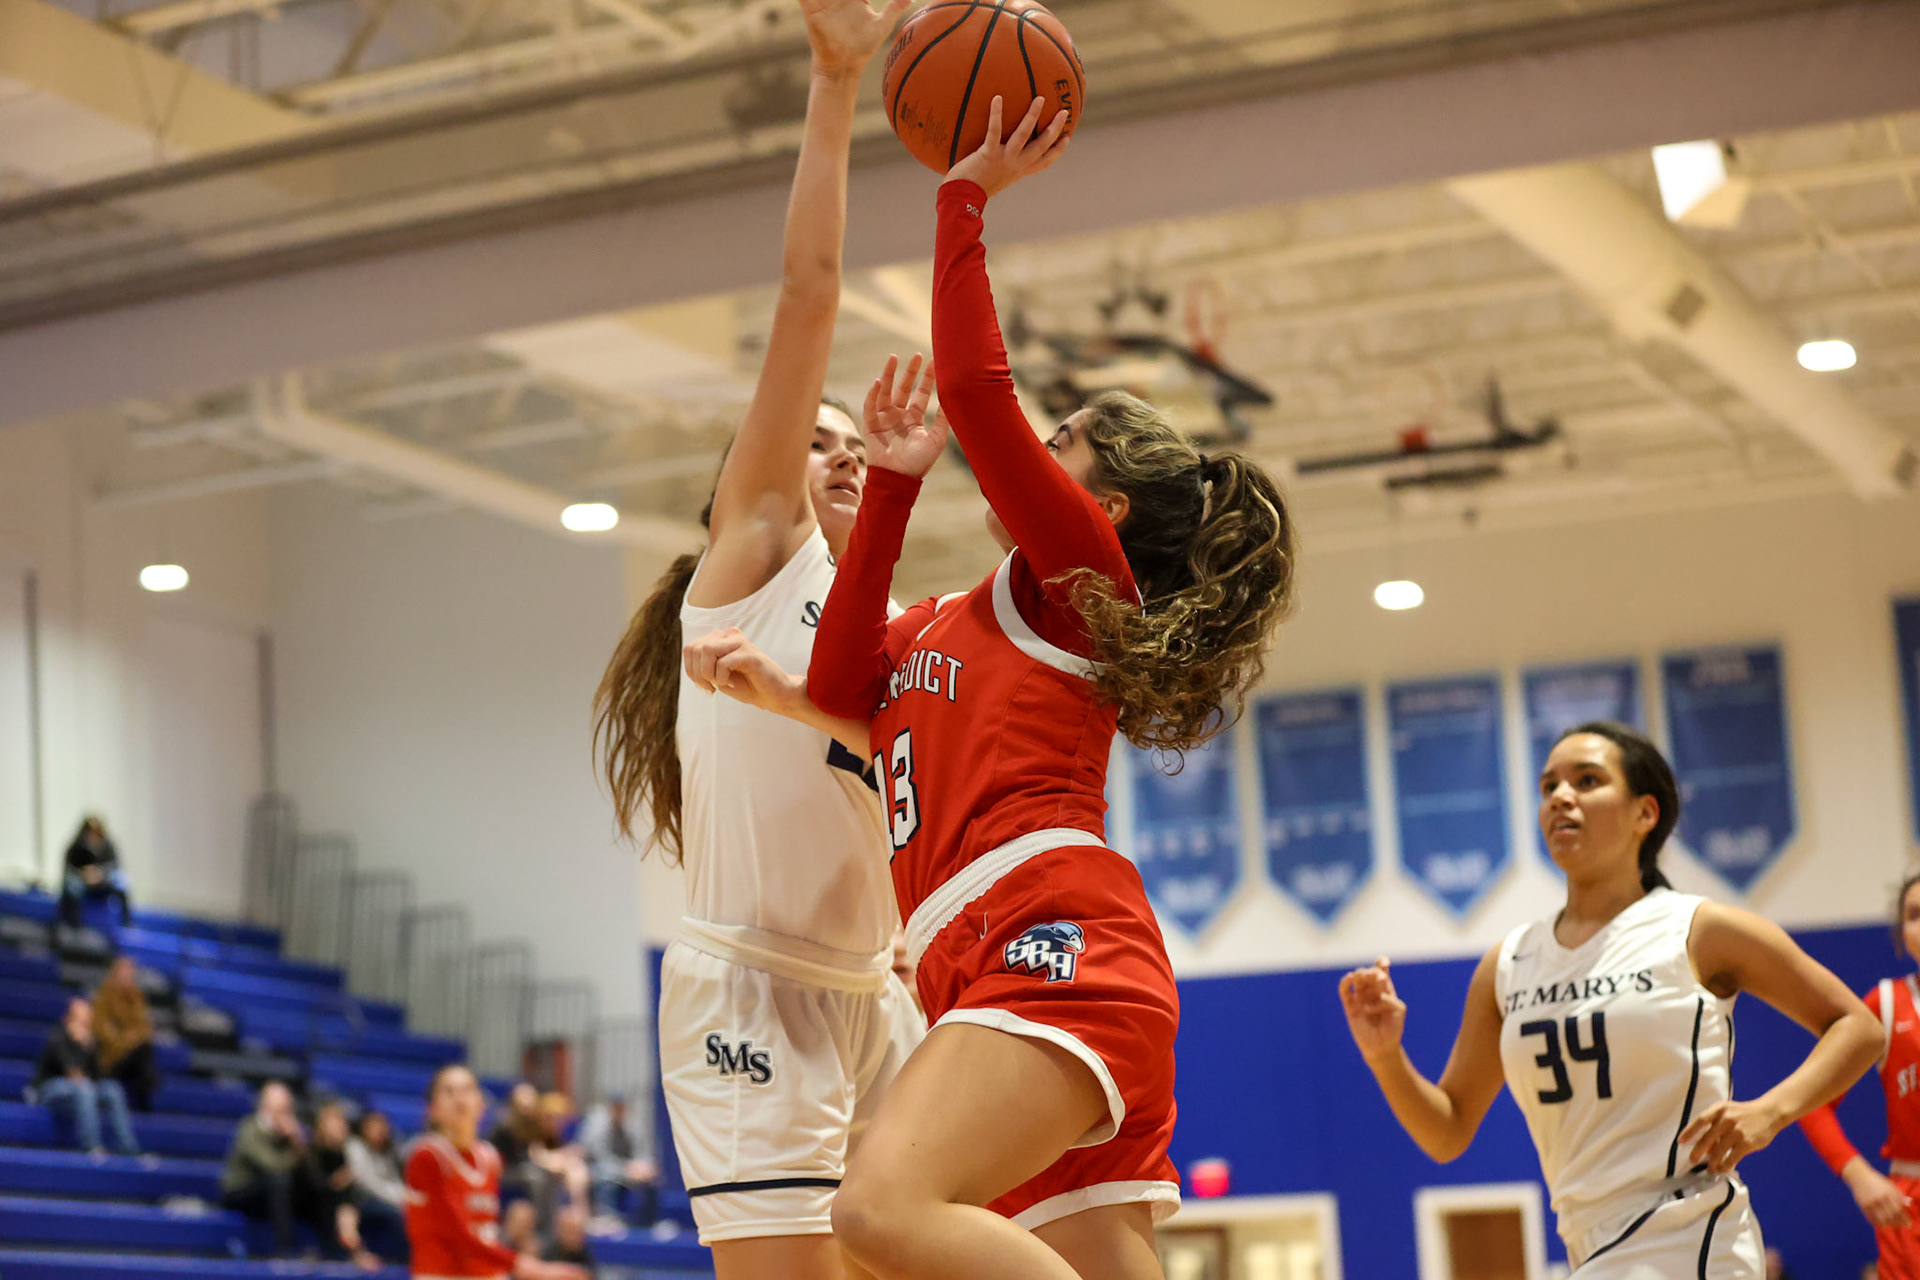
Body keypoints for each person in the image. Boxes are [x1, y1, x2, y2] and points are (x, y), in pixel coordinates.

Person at [685, 95, 1296, 1279]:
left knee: (871, 1224)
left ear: (1101, 505)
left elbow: (971, 387)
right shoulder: (960, 617)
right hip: (969, 952)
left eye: (1060, 438)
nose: (1036, 443)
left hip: (1048, 934)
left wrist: (958, 201)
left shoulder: (1080, 579)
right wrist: (895, 495)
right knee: (902, 1248)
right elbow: (847, 675)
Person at [588, 2, 921, 1276]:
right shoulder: (750, 566)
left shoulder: (889, 622)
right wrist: (837, 89)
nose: (835, 450)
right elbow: (809, 293)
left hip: (874, 989)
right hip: (753, 990)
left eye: (854, 441)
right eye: (813, 439)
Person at [1339, 721, 1885, 1275]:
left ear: (1644, 814)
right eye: (1548, 786)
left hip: (1687, 1232)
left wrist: (1771, 1111)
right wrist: (1385, 1056)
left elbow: (1858, 1027)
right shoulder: (1508, 963)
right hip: (1586, 1244)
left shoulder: (1698, 929)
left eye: (1587, 780)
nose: (1561, 797)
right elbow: (1448, 1130)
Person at [1798, 871, 1920, 1276]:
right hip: (1911, 1207)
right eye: (1915, 914)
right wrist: (1858, 1174)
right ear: (1902, 935)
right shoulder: (1885, 1004)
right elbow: (1811, 1102)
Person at [404, 1063, 586, 1280]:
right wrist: (527, 1266)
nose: (459, 1098)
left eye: (467, 1089)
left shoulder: (489, 1157)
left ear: (481, 1103)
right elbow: (456, 1235)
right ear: (432, 1109)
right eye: (449, 1091)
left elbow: (486, 1231)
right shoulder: (427, 1156)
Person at [31, 997, 140, 1156]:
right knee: (85, 1088)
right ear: (70, 1017)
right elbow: (71, 1072)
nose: (86, 1017)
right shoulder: (58, 1036)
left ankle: (129, 1148)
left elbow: (99, 1076)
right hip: (51, 1089)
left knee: (113, 1089)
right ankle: (92, 1147)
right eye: (81, 1014)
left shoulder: (90, 1040)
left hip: (81, 1089)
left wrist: (89, 1048)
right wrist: (78, 1045)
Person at [221, 1080, 311, 1257]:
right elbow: (272, 1166)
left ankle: (327, 1250)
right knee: (278, 1180)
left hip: (272, 1194)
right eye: (279, 1108)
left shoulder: (290, 1134)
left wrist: (299, 1141)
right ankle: (285, 1249)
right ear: (265, 1106)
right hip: (241, 1190)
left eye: (287, 1108)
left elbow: (310, 1169)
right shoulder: (250, 1128)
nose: (284, 1113)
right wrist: (294, 1146)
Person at [308, 1099, 384, 1270]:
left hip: (340, 1207)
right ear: (322, 1125)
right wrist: (337, 1182)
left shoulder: (344, 1151)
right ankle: (352, 1250)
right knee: (336, 1202)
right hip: (309, 1203)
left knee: (351, 1203)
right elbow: (315, 1186)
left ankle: (354, 1245)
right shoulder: (311, 1150)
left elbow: (350, 1187)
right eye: (334, 1121)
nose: (340, 1126)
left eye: (342, 1121)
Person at [577, 1094, 658, 1227]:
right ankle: (608, 1220)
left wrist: (642, 1167)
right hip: (598, 1168)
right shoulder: (599, 1126)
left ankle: (647, 1224)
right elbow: (601, 1159)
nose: (618, 1111)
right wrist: (627, 1170)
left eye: (621, 1108)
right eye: (615, 1108)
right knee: (606, 1177)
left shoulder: (633, 1125)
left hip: (628, 1170)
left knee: (651, 1179)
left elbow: (642, 1152)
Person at [92, 956, 157, 1112]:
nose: (128, 977)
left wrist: (131, 1039)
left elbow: (146, 1030)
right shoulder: (102, 998)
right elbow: (104, 1034)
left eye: (130, 973)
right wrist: (128, 1040)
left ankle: (144, 1096)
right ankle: (144, 1101)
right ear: (115, 974)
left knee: (145, 1049)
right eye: (124, 972)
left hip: (132, 1056)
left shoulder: (137, 999)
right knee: (142, 1053)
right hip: (110, 1057)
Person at [347, 1110, 410, 1262]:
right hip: (363, 1200)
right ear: (365, 1128)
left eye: (381, 1126)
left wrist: (406, 1197)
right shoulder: (355, 1147)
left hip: (389, 1199)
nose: (379, 1131)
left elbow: (396, 1180)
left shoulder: (390, 1151)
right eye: (373, 1126)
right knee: (397, 1216)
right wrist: (399, 1199)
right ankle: (397, 1260)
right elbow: (369, 1184)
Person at [59, 815, 129, 930]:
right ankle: (74, 926)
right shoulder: (75, 847)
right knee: (72, 885)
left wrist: (100, 874)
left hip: (102, 883)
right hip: (81, 884)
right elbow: (68, 870)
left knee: (122, 881)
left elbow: (115, 866)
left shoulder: (108, 846)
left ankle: (127, 923)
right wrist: (83, 874)